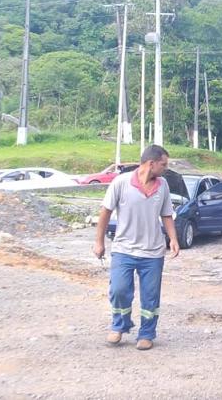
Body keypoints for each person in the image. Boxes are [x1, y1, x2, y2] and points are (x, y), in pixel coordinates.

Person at [92, 145, 180, 351]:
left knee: (150, 296)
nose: (166, 168)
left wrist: (173, 239)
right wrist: (99, 242)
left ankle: (147, 334)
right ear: (151, 164)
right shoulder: (121, 183)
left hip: (153, 252)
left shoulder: (163, 185)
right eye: (163, 164)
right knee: (119, 290)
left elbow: (166, 214)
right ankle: (120, 325)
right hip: (124, 249)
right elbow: (105, 212)